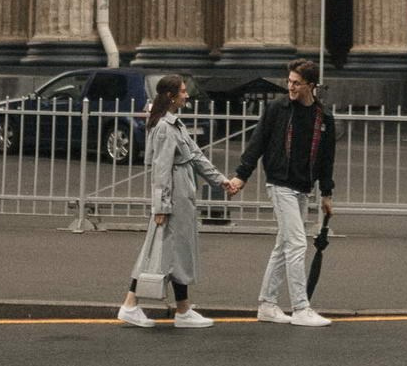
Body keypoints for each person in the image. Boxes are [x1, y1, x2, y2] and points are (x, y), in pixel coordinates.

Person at [117, 74, 242, 329]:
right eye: (183, 92)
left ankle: (178, 308)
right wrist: (161, 206)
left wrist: (220, 181)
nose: (187, 95)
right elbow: (161, 170)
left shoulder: (174, 124)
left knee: (172, 253)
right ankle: (135, 305)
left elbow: (196, 156)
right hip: (174, 194)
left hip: (181, 191)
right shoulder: (165, 127)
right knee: (163, 253)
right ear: (170, 96)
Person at [234, 59, 336, 327]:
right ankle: (301, 308)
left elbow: (327, 159)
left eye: (296, 83)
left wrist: (326, 194)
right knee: (297, 244)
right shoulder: (277, 109)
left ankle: (267, 305)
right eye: (288, 82)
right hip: (280, 184)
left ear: (311, 86)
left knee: (283, 246)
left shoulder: (323, 118)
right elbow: (257, 142)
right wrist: (241, 175)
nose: (290, 87)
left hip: (303, 187)